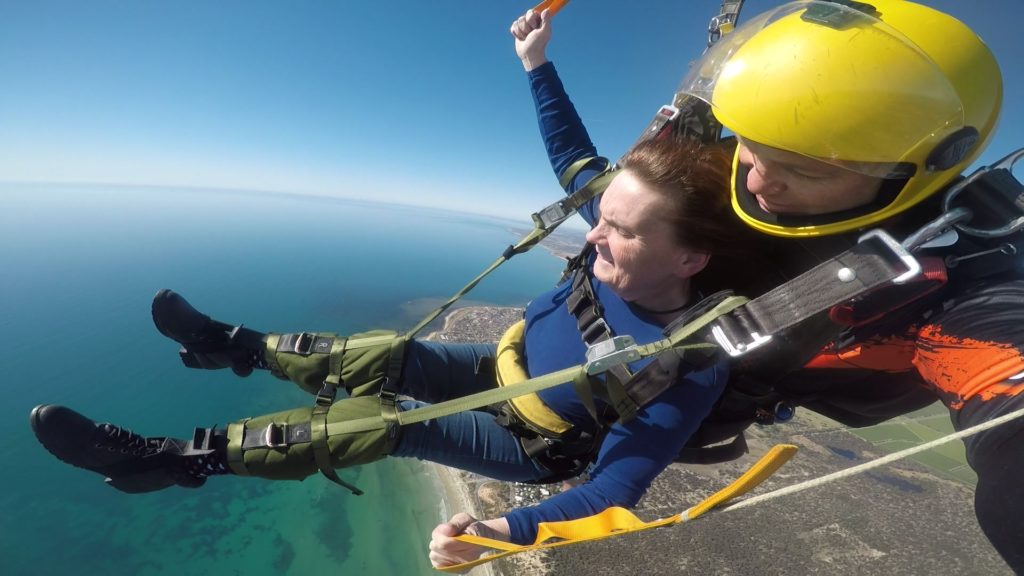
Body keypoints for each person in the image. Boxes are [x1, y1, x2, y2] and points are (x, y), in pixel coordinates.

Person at [28, 36, 753, 571]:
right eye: (602, 217)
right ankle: (231, 344)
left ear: (689, 260)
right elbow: (573, 157)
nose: (593, 233)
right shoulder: (629, 221)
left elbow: (619, 484)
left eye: (619, 231)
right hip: (501, 364)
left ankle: (173, 459)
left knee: (378, 422)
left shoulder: (686, 358)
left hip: (533, 438)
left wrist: (511, 532)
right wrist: (538, 63)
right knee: (380, 355)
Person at [502, 1, 1024, 571]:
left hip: (615, 429)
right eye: (751, 144)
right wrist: (537, 64)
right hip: (558, 372)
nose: (755, 179)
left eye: (804, 169)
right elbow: (584, 172)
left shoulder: (948, 291)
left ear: (911, 169)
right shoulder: (694, 193)